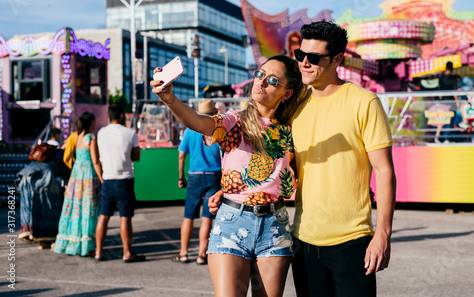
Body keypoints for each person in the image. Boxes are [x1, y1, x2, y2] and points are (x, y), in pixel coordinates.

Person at [151, 54, 306, 297]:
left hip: (275, 225)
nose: (261, 82)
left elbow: (283, 178)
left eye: (273, 80)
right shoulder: (236, 121)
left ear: (287, 93)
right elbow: (199, 122)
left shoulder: (292, 130)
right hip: (232, 222)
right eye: (260, 74)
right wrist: (170, 99)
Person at [286, 21, 396, 296]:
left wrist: (382, 234)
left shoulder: (364, 102)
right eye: (301, 55)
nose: (304, 63)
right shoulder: (294, 105)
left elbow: (384, 170)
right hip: (303, 242)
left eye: (314, 58)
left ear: (337, 59)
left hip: (352, 241)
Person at [171, 99, 222, 265]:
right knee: (207, 218)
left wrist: (181, 177)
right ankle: (201, 254)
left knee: (188, 216)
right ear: (214, 113)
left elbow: (181, 155)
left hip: (194, 176)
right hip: (214, 175)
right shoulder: (217, 130)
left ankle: (184, 253)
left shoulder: (189, 130)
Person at [94, 103, 144, 262]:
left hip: (107, 179)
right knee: (125, 217)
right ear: (122, 115)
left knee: (103, 216)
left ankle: (98, 252)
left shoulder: (101, 133)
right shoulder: (130, 133)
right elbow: (136, 157)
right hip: (125, 180)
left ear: (109, 116)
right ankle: (127, 253)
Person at [53, 112, 103, 257]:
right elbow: (95, 161)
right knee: (88, 208)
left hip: (76, 176)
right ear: (91, 122)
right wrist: (101, 178)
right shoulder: (90, 138)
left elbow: (74, 156)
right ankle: (86, 245)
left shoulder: (77, 137)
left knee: (75, 207)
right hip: (87, 176)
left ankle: (72, 242)